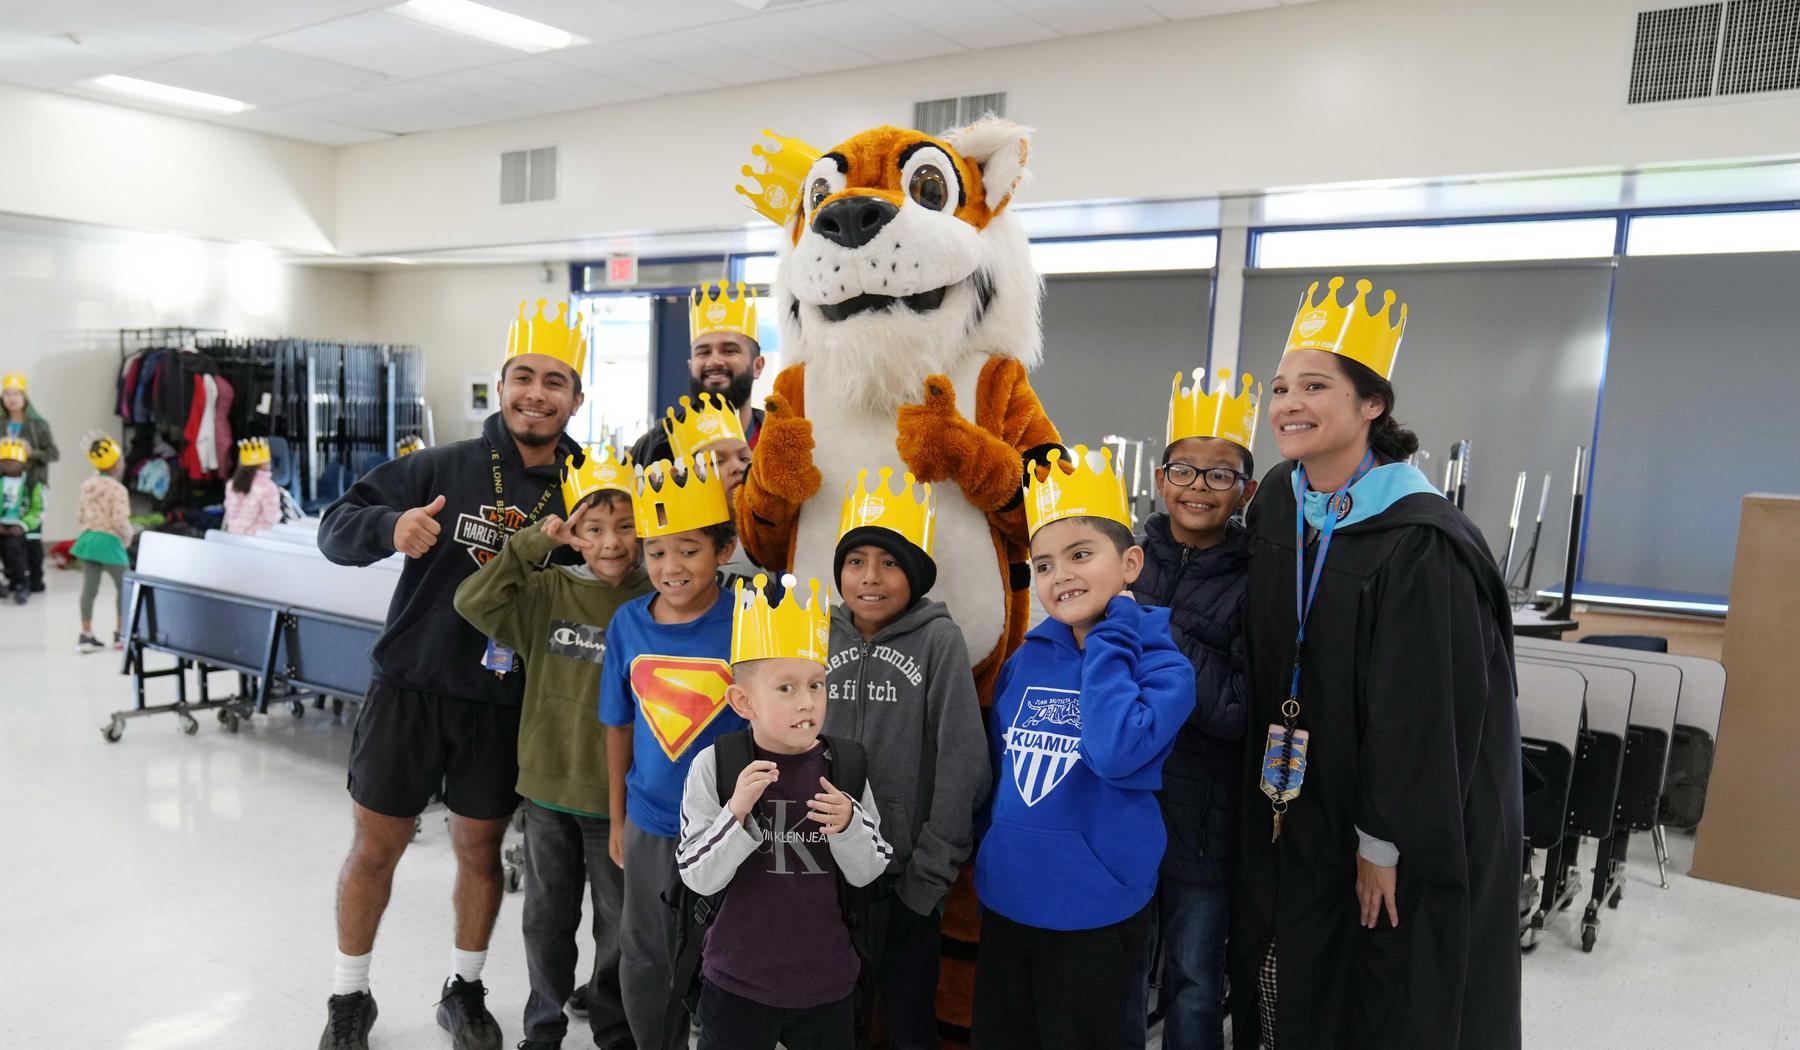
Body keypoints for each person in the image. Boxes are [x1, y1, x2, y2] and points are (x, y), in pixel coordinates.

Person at [1229, 278, 1522, 1050]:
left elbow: (1422, 713)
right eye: (1282, 387)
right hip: (1287, 795)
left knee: (1369, 984)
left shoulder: (1421, 538)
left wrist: (1383, 841)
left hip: (1371, 816)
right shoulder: (1277, 503)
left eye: (1315, 386)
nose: (1288, 403)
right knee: (1278, 968)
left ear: (1372, 406)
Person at [315, 299, 589, 1050]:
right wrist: (388, 529)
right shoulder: (440, 466)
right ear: (502, 386)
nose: (537, 393)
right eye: (524, 377)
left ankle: (463, 988)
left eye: (555, 381)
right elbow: (335, 527)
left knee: (479, 853)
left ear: (576, 399)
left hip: (504, 704)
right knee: (376, 848)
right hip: (408, 688)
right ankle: (349, 997)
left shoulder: (586, 487)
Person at [971, 446, 1195, 1050]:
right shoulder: (1027, 658)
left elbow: (1115, 751)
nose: (1060, 575)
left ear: (1130, 564)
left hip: (1095, 903)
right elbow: (1002, 765)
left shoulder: (1165, 668)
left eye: (1080, 555)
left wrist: (1114, 636)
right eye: (1043, 565)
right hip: (1011, 894)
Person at [455, 445, 651, 1050]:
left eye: (626, 527)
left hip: (618, 799)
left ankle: (614, 1026)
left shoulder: (655, 601)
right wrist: (531, 544)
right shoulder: (547, 591)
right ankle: (542, 1025)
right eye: (593, 529)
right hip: (547, 790)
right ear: (574, 534)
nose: (612, 543)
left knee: (618, 926)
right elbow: (473, 602)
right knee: (547, 919)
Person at [674, 573, 892, 1050]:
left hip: (828, 984)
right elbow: (696, 876)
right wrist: (735, 815)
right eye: (787, 688)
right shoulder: (717, 764)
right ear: (743, 701)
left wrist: (850, 824)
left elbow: (870, 871)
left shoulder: (846, 765)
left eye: (817, 685)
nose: (808, 702)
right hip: (735, 984)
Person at [824, 468, 989, 1050]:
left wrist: (928, 875)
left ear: (915, 574)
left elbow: (963, 761)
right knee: (833, 1017)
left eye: (890, 562)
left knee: (907, 1021)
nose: (870, 577)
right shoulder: (818, 633)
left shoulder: (938, 641)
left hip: (904, 880)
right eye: (856, 560)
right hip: (824, 876)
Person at [1122, 369, 1262, 1050]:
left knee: (1194, 976)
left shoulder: (1260, 581)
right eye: (1184, 469)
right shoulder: (1122, 560)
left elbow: (1238, 711)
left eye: (1219, 475)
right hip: (1117, 801)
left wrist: (1161, 629)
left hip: (1202, 813)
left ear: (1247, 490)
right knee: (1118, 966)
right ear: (1159, 474)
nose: (1198, 487)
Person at [598, 452, 749, 1050]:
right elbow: (616, 727)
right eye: (656, 551)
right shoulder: (627, 625)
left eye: (689, 548)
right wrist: (617, 818)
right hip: (652, 823)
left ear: (724, 550)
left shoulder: (746, 619)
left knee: (729, 955)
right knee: (646, 955)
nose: (671, 566)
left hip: (733, 824)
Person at [629, 283, 766, 466]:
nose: (715, 361)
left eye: (729, 351)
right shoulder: (654, 447)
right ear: (691, 365)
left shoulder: (779, 442)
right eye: (704, 352)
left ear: (757, 366)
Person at [660, 390, 759, 587]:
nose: (737, 468)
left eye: (744, 458)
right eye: (715, 461)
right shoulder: (666, 542)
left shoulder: (772, 541)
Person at [72, 434, 134, 653]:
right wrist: (128, 537)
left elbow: (79, 514)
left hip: (88, 539)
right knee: (124, 586)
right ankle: (121, 633)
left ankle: (86, 635)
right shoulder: (118, 490)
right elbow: (119, 520)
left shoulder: (87, 486)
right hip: (109, 541)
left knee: (89, 589)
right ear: (117, 464)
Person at [2, 371, 57, 593]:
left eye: (16, 393)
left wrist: (29, 452)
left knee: (32, 536)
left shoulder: (38, 424)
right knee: (6, 536)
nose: (12, 398)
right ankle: (13, 577)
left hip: (31, 485)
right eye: (7, 394)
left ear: (25, 397)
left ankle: (35, 578)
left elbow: (53, 452)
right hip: (5, 488)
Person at [0, 436, 44, 605]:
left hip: (20, 526)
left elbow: (38, 510)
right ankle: (7, 580)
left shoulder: (32, 484)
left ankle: (21, 583)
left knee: (13, 548)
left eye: (12, 460)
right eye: (4, 460)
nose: (8, 464)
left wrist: (23, 525)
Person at [224, 438, 283, 536]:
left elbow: (229, 510)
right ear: (264, 463)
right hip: (257, 539)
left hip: (233, 536)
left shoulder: (231, 484)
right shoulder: (269, 487)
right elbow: (272, 517)